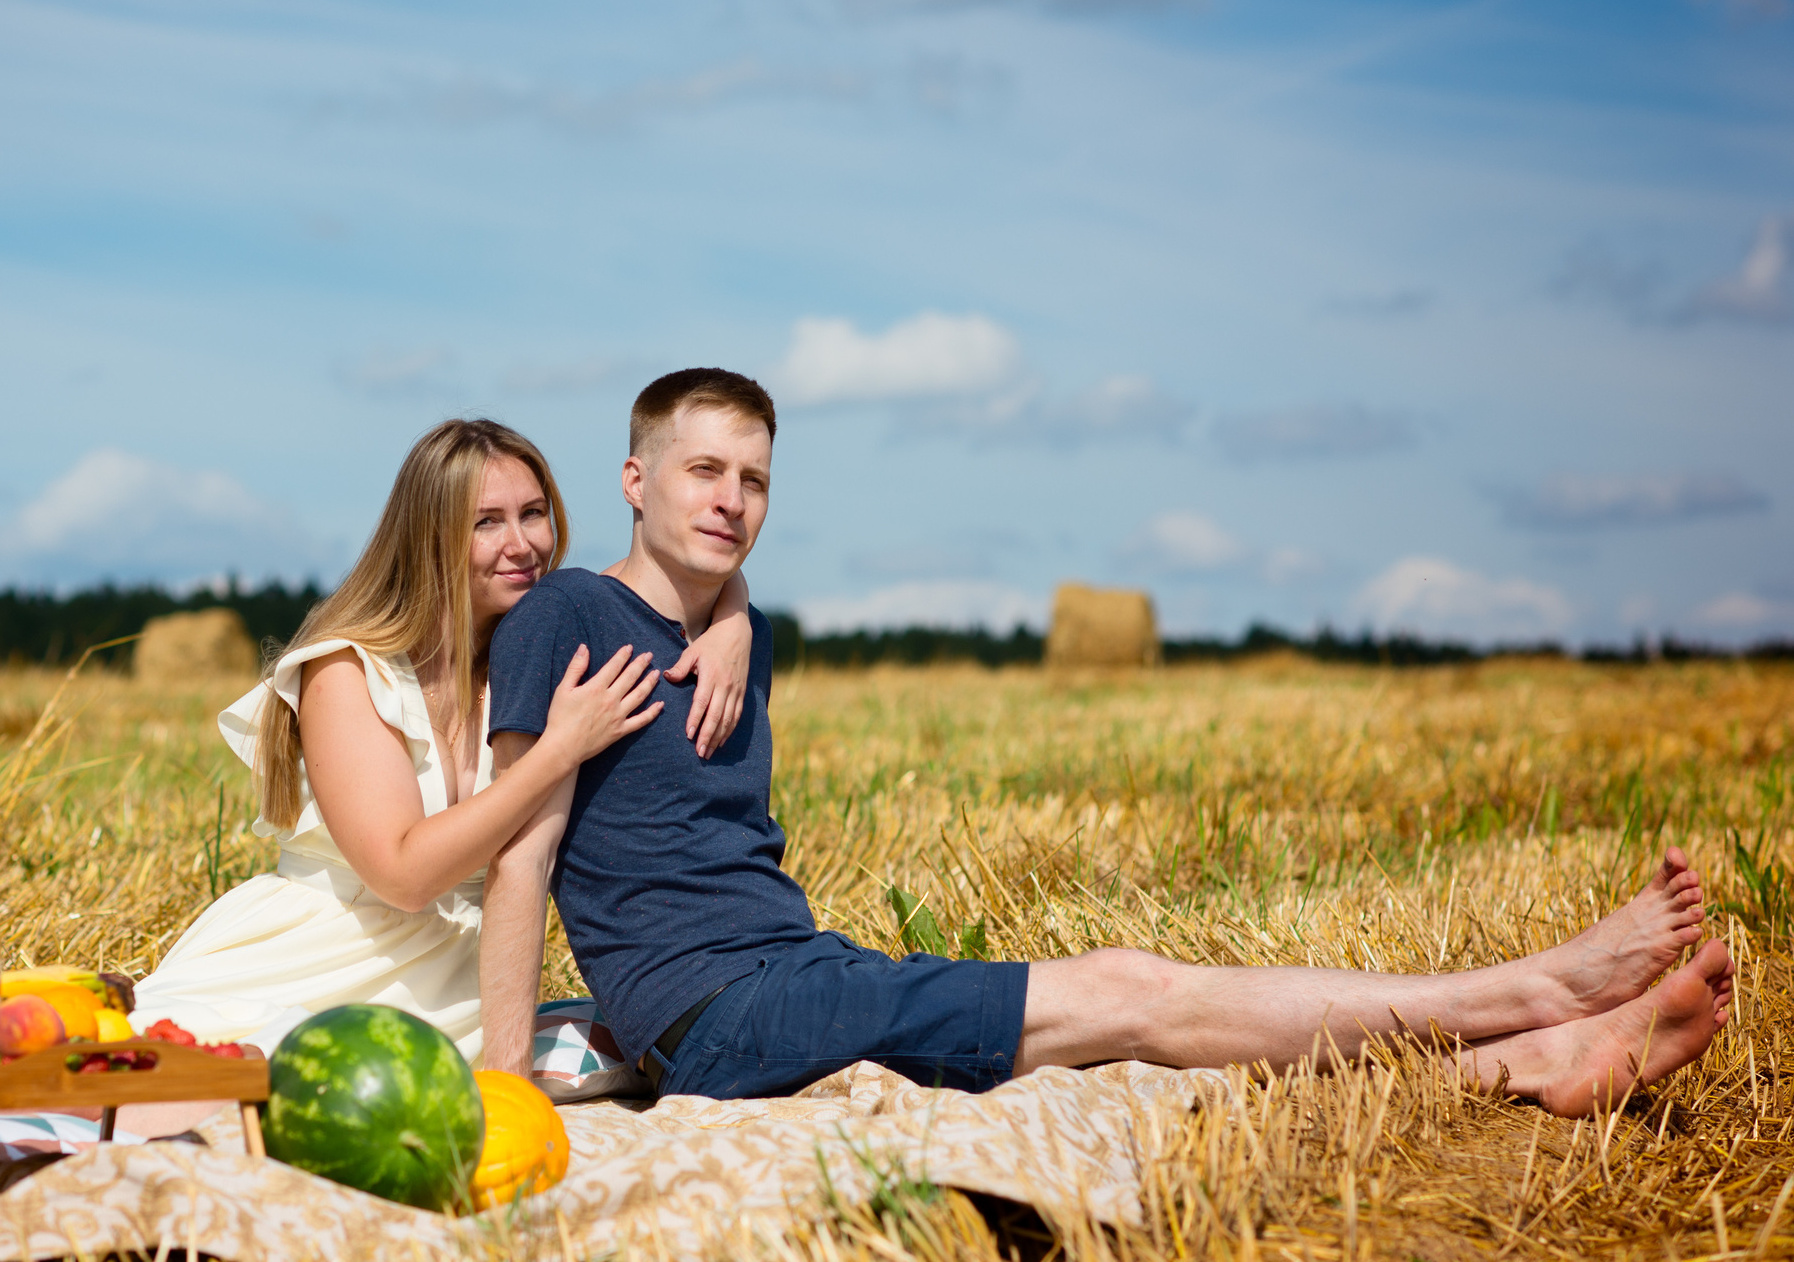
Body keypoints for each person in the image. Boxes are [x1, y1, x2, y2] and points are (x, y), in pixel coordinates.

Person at [474, 368, 1734, 1118]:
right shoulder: (568, 613)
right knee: (1127, 991)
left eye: (751, 479)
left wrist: (736, 612)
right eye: (699, 471)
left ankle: (1521, 1059)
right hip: (716, 1010)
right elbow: (521, 855)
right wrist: (499, 1073)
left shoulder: (742, 628)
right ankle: (1524, 993)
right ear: (634, 480)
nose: (728, 500)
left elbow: (709, 612)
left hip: (793, 967)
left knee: (1103, 1047)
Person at [127, 416, 758, 1057]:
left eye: (534, 514)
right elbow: (403, 876)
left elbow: (661, 565)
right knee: (176, 1078)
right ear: (430, 536)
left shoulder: (538, 660)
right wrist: (560, 751)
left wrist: (734, 615)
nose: (522, 545)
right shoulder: (346, 670)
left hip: (464, 984)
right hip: (321, 959)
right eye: (486, 522)